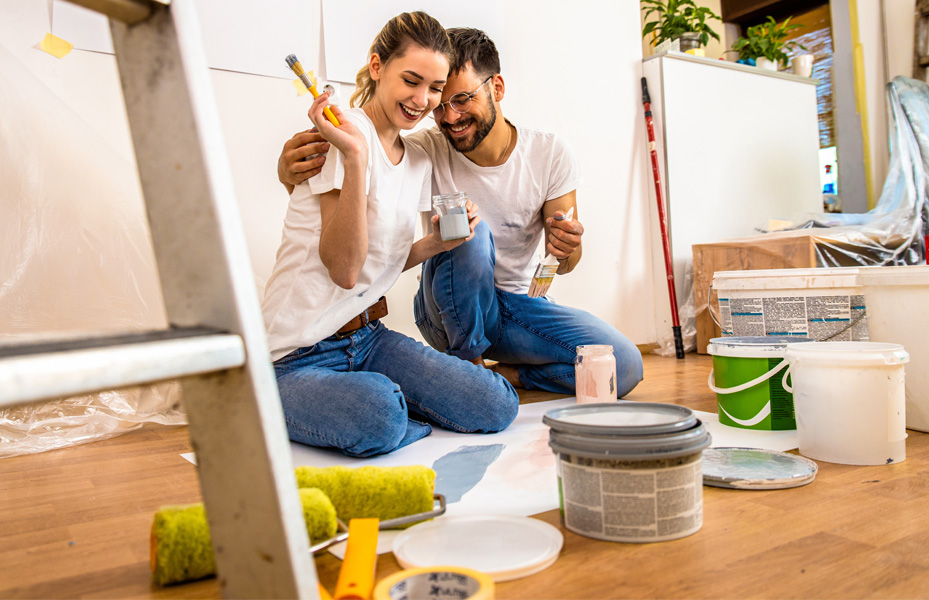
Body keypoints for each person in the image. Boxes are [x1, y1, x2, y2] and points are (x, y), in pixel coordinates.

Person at [277, 28, 643, 398]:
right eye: (440, 105)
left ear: (496, 88)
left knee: (623, 367)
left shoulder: (550, 154)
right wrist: (287, 172)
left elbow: (564, 263)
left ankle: (512, 377)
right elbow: (346, 188)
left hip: (514, 309)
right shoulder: (423, 150)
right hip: (445, 309)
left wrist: (568, 249)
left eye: (463, 99)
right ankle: (470, 368)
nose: (450, 116)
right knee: (472, 231)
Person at [262, 13, 518, 458]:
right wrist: (356, 158)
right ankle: (363, 408)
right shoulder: (344, 137)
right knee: (380, 413)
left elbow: (385, 259)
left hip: (367, 339)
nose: (423, 100)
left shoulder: (416, 158)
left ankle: (385, 409)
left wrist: (438, 243)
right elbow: (345, 270)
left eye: (435, 88)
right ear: (377, 66)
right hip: (294, 355)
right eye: (411, 80)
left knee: (495, 404)